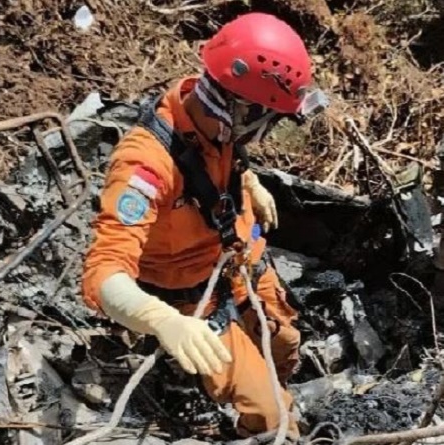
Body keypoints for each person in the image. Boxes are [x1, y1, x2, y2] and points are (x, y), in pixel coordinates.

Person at [81, 12, 321, 439]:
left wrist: (250, 181)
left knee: (284, 343)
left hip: (239, 267)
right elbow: (104, 275)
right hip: (194, 299)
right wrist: (162, 320)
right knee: (274, 420)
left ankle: (273, 376)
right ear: (241, 110)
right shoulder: (146, 166)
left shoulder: (210, 122)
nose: (264, 135)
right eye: (266, 122)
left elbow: (215, 164)